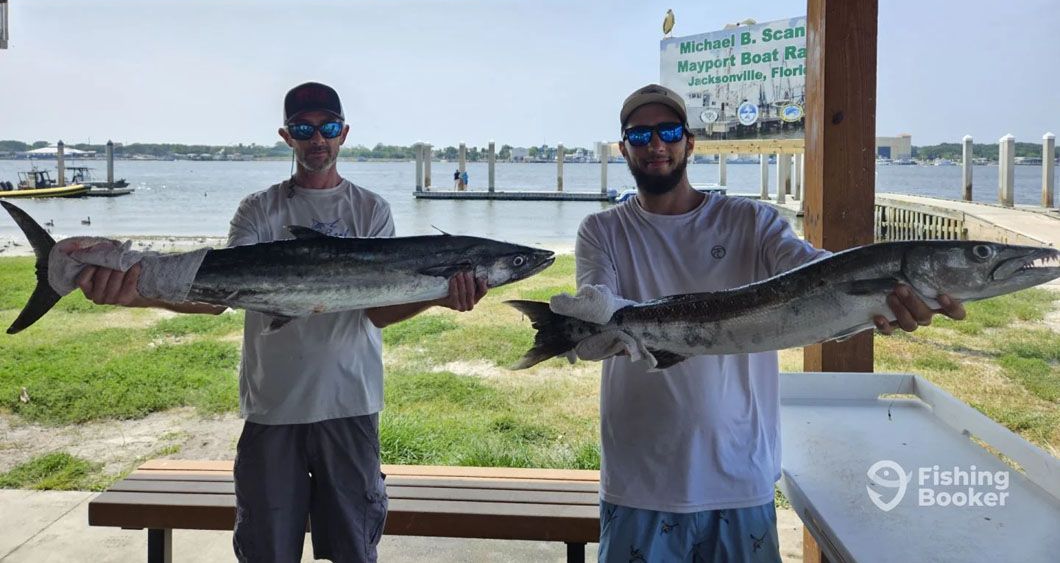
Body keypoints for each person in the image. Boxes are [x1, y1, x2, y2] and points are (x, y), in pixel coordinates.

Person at [76, 81, 487, 563]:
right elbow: (218, 294)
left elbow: (377, 309)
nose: (318, 138)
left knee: (353, 548)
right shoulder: (259, 209)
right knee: (267, 551)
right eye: (304, 128)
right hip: (273, 406)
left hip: (349, 402)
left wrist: (439, 294)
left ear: (344, 133)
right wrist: (139, 294)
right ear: (286, 135)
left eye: (328, 127)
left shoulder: (370, 209)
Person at [564, 84, 965, 563]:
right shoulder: (602, 230)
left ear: (690, 142)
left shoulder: (751, 221)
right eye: (640, 134)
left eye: (669, 131)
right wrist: (589, 317)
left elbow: (815, 272)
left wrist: (885, 299)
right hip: (640, 478)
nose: (656, 144)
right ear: (623, 147)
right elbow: (601, 300)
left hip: (739, 476)